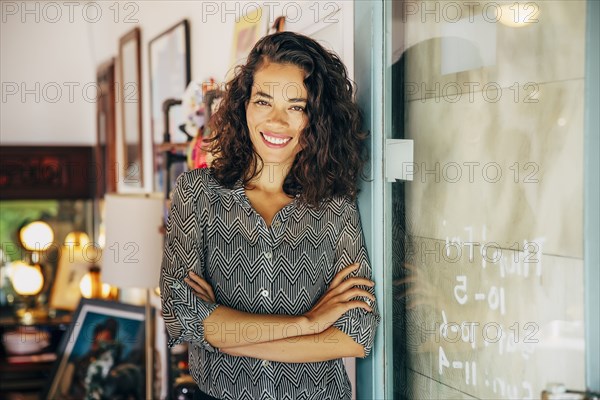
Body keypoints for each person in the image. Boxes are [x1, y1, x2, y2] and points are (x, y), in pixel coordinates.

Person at [160, 31, 380, 400]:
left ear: (316, 118)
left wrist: (222, 333)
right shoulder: (197, 193)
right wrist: (308, 323)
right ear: (244, 105)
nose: (277, 121)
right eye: (264, 101)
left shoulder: (335, 204)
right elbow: (182, 314)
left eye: (296, 106)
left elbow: (356, 334)